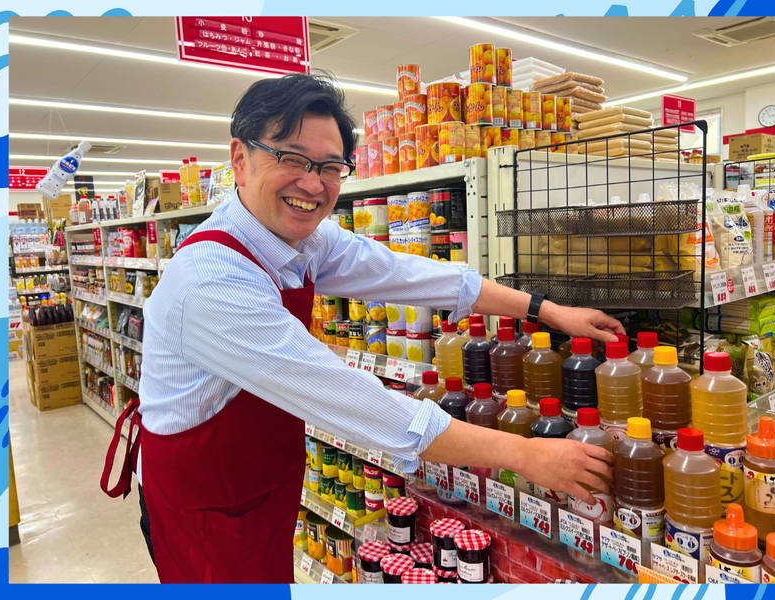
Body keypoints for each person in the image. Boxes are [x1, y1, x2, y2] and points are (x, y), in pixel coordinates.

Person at [101, 72, 624, 583]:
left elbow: (403, 272)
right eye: (291, 158)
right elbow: (354, 401)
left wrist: (545, 310)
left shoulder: (299, 237)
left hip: (260, 482)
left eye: (330, 167)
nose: (313, 184)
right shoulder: (211, 283)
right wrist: (527, 454)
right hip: (204, 504)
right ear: (241, 158)